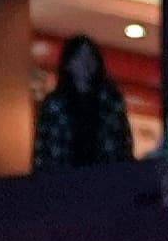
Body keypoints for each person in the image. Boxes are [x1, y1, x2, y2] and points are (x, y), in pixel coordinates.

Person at [32, 37, 135, 171]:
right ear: (68, 64)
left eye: (90, 57)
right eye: (79, 57)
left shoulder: (110, 101)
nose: (85, 62)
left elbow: (123, 142)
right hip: (63, 176)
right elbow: (43, 149)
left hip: (106, 175)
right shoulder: (54, 104)